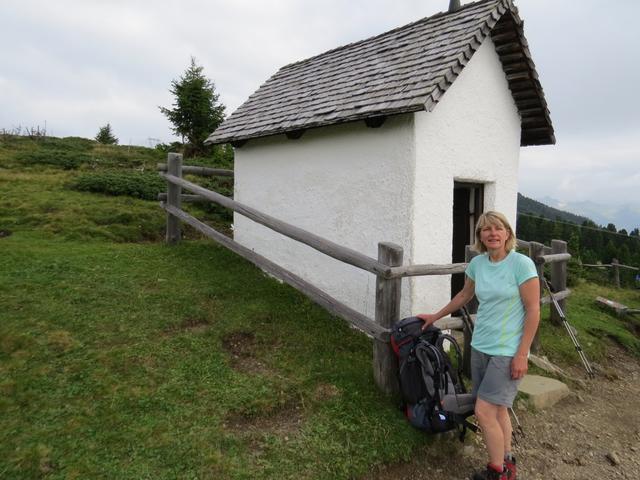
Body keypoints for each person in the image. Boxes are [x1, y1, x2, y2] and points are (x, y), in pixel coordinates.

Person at [418, 211, 540, 480]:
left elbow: (533, 311)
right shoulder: (478, 264)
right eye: (486, 230)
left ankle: (496, 471)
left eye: (498, 228)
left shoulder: (521, 264)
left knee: (483, 410)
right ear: (480, 237)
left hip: (507, 350)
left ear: (508, 233)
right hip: (481, 345)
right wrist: (436, 316)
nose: (492, 233)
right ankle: (507, 461)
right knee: (497, 409)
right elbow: (465, 294)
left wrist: (522, 354)